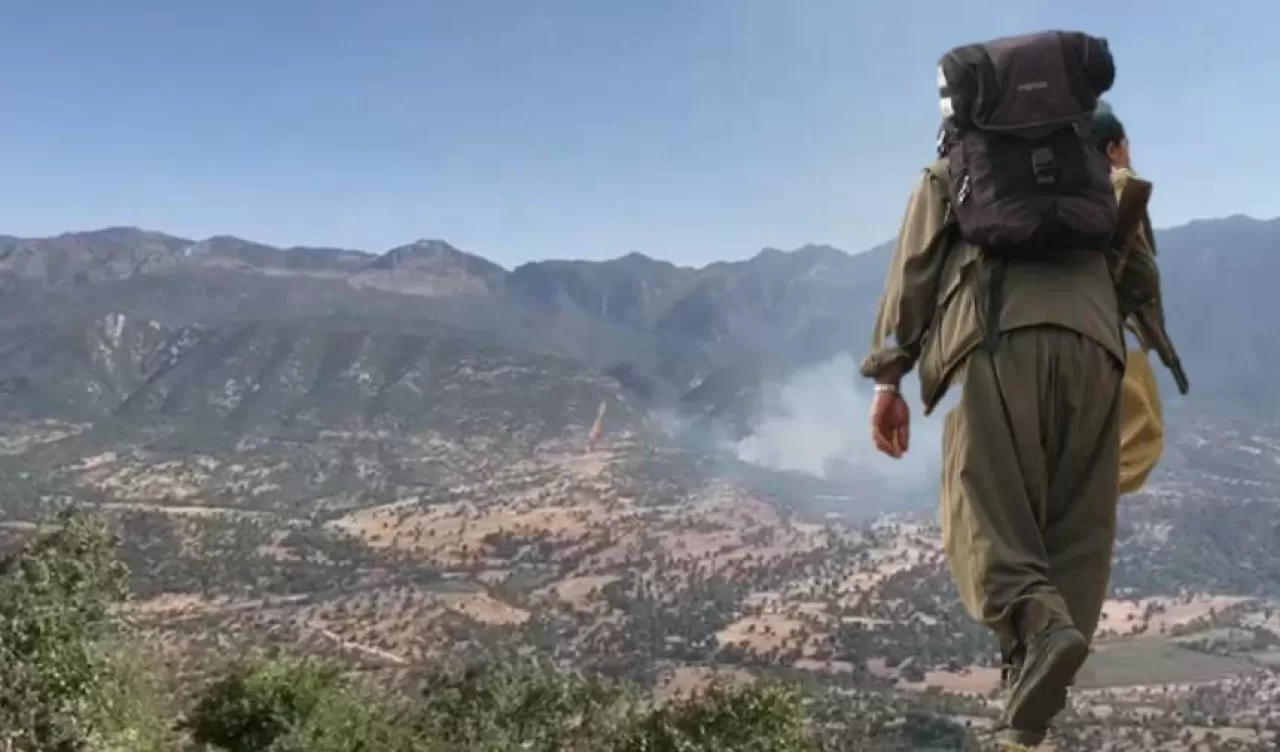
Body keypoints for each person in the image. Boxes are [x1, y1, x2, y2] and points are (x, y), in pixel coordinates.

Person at [860, 48, 1128, 748]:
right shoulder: (1093, 172)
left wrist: (890, 380)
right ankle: (1029, 706)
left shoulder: (954, 171)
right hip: (1099, 352)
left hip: (998, 340)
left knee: (981, 509)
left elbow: (912, 277)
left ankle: (1033, 636)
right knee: (1077, 526)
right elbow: (1137, 263)